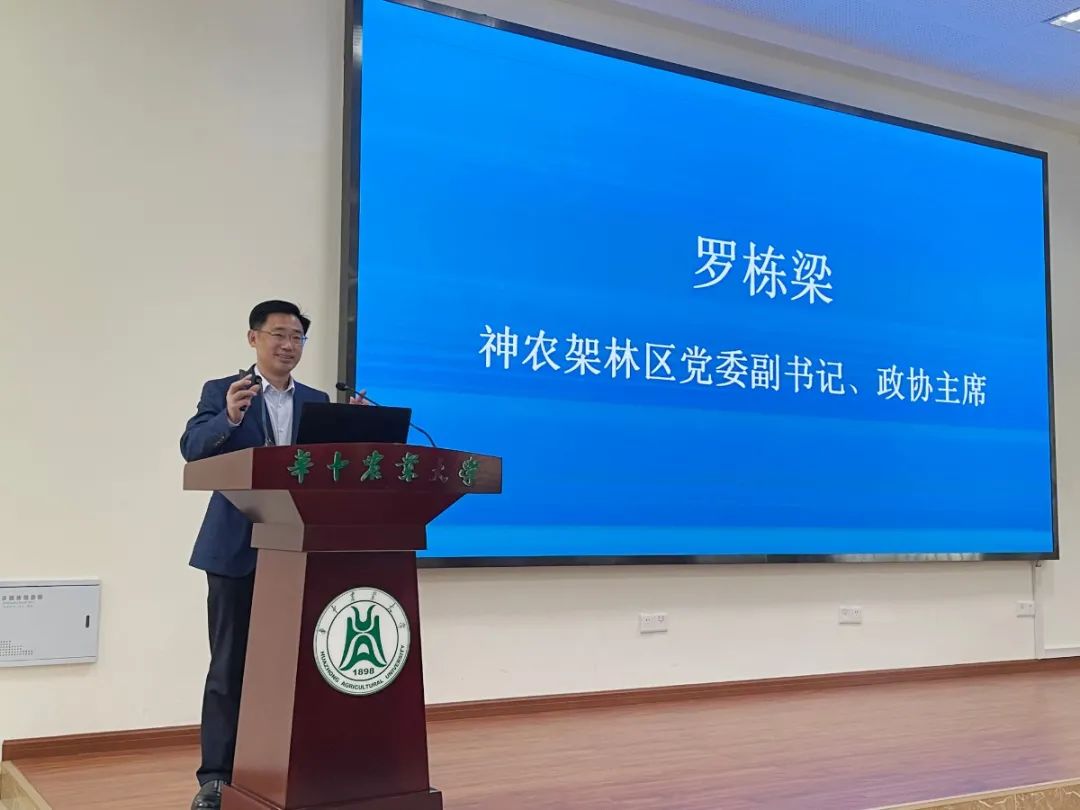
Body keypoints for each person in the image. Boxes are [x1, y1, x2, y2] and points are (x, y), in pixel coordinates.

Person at [180, 300, 363, 810]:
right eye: (278, 334)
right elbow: (192, 448)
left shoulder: (317, 401)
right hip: (235, 549)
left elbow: (328, 470)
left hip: (299, 551)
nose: (288, 345)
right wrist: (228, 417)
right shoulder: (224, 391)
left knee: (298, 667)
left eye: (297, 337)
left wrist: (356, 431)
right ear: (253, 338)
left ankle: (292, 767)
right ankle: (216, 778)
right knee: (229, 667)